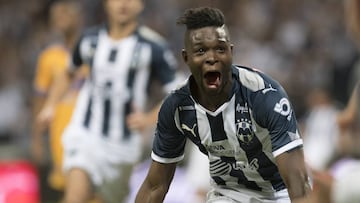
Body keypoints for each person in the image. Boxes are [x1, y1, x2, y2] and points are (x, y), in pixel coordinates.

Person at [136, 7, 310, 203]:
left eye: (220, 48)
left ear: (231, 52)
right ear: (186, 58)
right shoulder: (178, 108)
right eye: (201, 50)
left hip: (279, 193)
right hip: (228, 194)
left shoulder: (264, 95)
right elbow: (155, 186)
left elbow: (298, 184)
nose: (212, 58)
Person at [37, 0, 179, 202]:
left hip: (122, 148)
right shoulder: (89, 39)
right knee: (76, 195)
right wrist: (50, 105)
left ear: (141, 4)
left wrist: (148, 118)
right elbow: (68, 73)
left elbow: (177, 92)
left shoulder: (154, 46)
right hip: (86, 134)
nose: (123, 3)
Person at [31, 0, 83, 195]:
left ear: (78, 16)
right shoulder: (49, 57)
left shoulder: (94, 52)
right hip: (60, 134)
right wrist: (36, 138)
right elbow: (39, 100)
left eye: (66, 14)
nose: (61, 20)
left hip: (91, 133)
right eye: (57, 17)